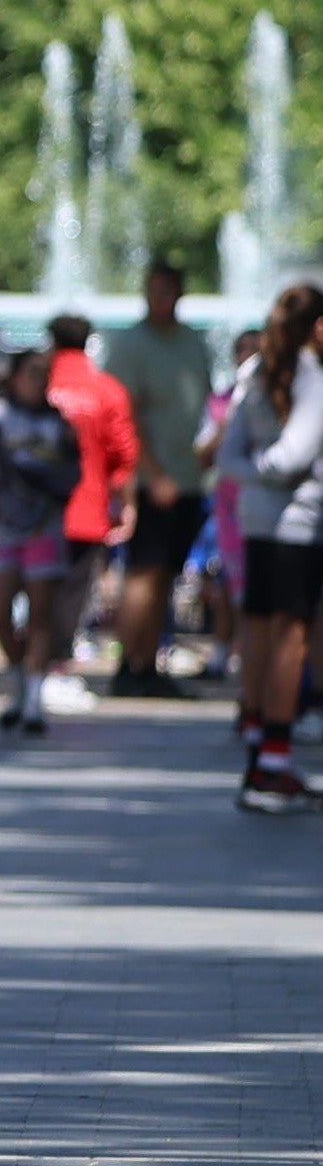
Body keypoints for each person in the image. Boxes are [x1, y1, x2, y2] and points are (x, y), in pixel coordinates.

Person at [219, 286, 323, 809]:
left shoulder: (257, 372)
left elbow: (229, 453)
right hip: (299, 525)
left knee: (261, 628)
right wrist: (270, 472)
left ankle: (259, 744)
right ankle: (273, 763)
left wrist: (252, 476)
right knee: (289, 636)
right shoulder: (312, 377)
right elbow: (291, 457)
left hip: (258, 519)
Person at [103, 262, 219, 695]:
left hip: (188, 479)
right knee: (143, 573)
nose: (160, 299)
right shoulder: (131, 345)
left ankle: (149, 662)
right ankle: (129, 663)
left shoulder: (192, 343)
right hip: (153, 482)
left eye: (167, 290)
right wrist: (152, 472)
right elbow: (124, 417)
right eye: (153, 291)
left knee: (166, 574)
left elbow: (208, 407)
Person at [0, 348, 81, 740]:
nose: (38, 381)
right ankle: (18, 677)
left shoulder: (58, 422)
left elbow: (71, 474)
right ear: (15, 377)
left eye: (43, 374)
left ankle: (33, 698)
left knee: (40, 615)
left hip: (44, 528)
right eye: (31, 373)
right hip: (6, 527)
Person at [43, 308, 140, 699]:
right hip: (87, 508)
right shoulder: (106, 389)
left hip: (36, 511)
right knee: (72, 592)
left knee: (39, 590)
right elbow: (124, 452)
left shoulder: (39, 385)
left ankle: (34, 670)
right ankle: (57, 671)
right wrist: (125, 501)